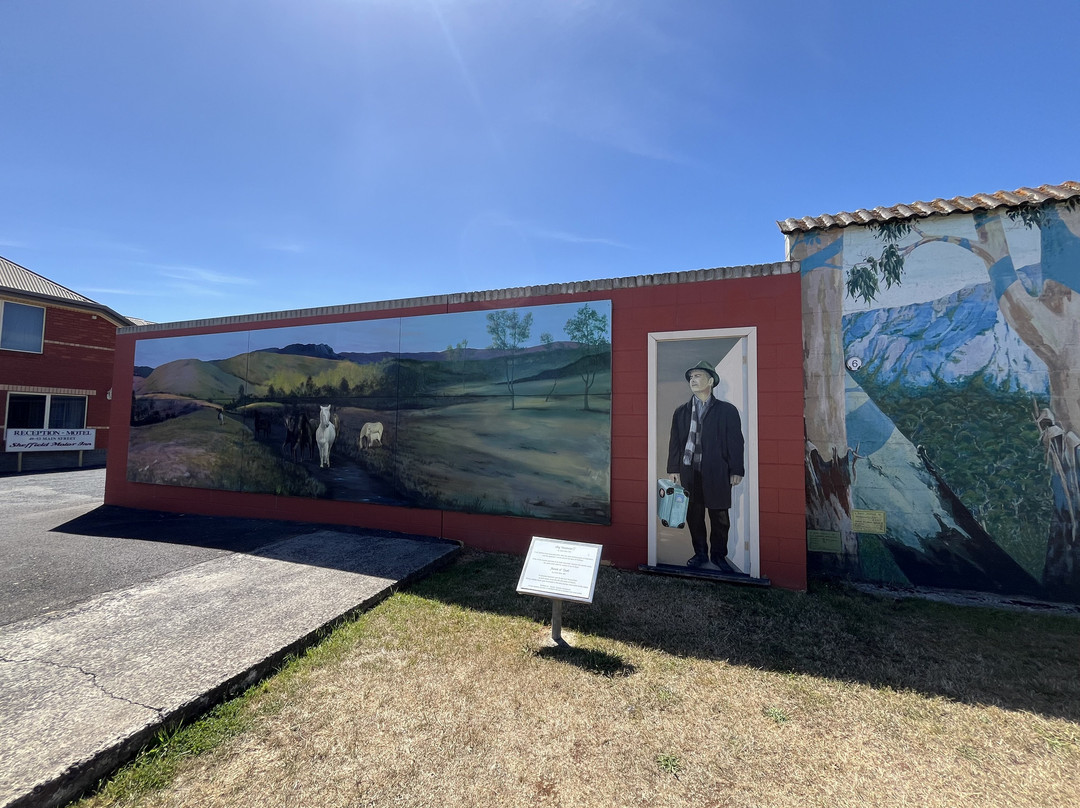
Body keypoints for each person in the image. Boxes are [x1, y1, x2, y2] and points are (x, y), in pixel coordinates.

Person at [667, 360, 745, 571]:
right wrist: (673, 468)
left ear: (710, 381)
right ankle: (700, 554)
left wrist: (736, 469)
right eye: (691, 377)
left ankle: (719, 556)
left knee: (720, 516)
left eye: (698, 376)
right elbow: (675, 443)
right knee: (694, 514)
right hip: (689, 471)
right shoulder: (681, 412)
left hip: (717, 470)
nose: (693, 380)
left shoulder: (727, 411)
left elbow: (735, 442)